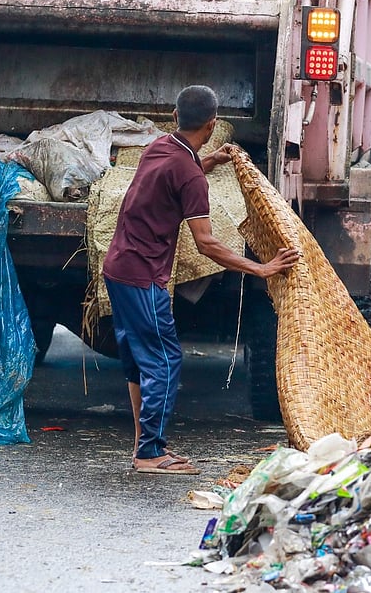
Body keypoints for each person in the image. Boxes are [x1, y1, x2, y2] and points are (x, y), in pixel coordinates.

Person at [103, 85, 299, 474]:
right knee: (164, 359)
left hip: (118, 269)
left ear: (175, 118)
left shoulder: (159, 148)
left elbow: (182, 172)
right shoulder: (190, 175)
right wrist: (261, 268)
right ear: (211, 126)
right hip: (143, 276)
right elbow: (207, 243)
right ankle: (150, 454)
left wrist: (210, 162)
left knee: (139, 363)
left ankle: (146, 445)